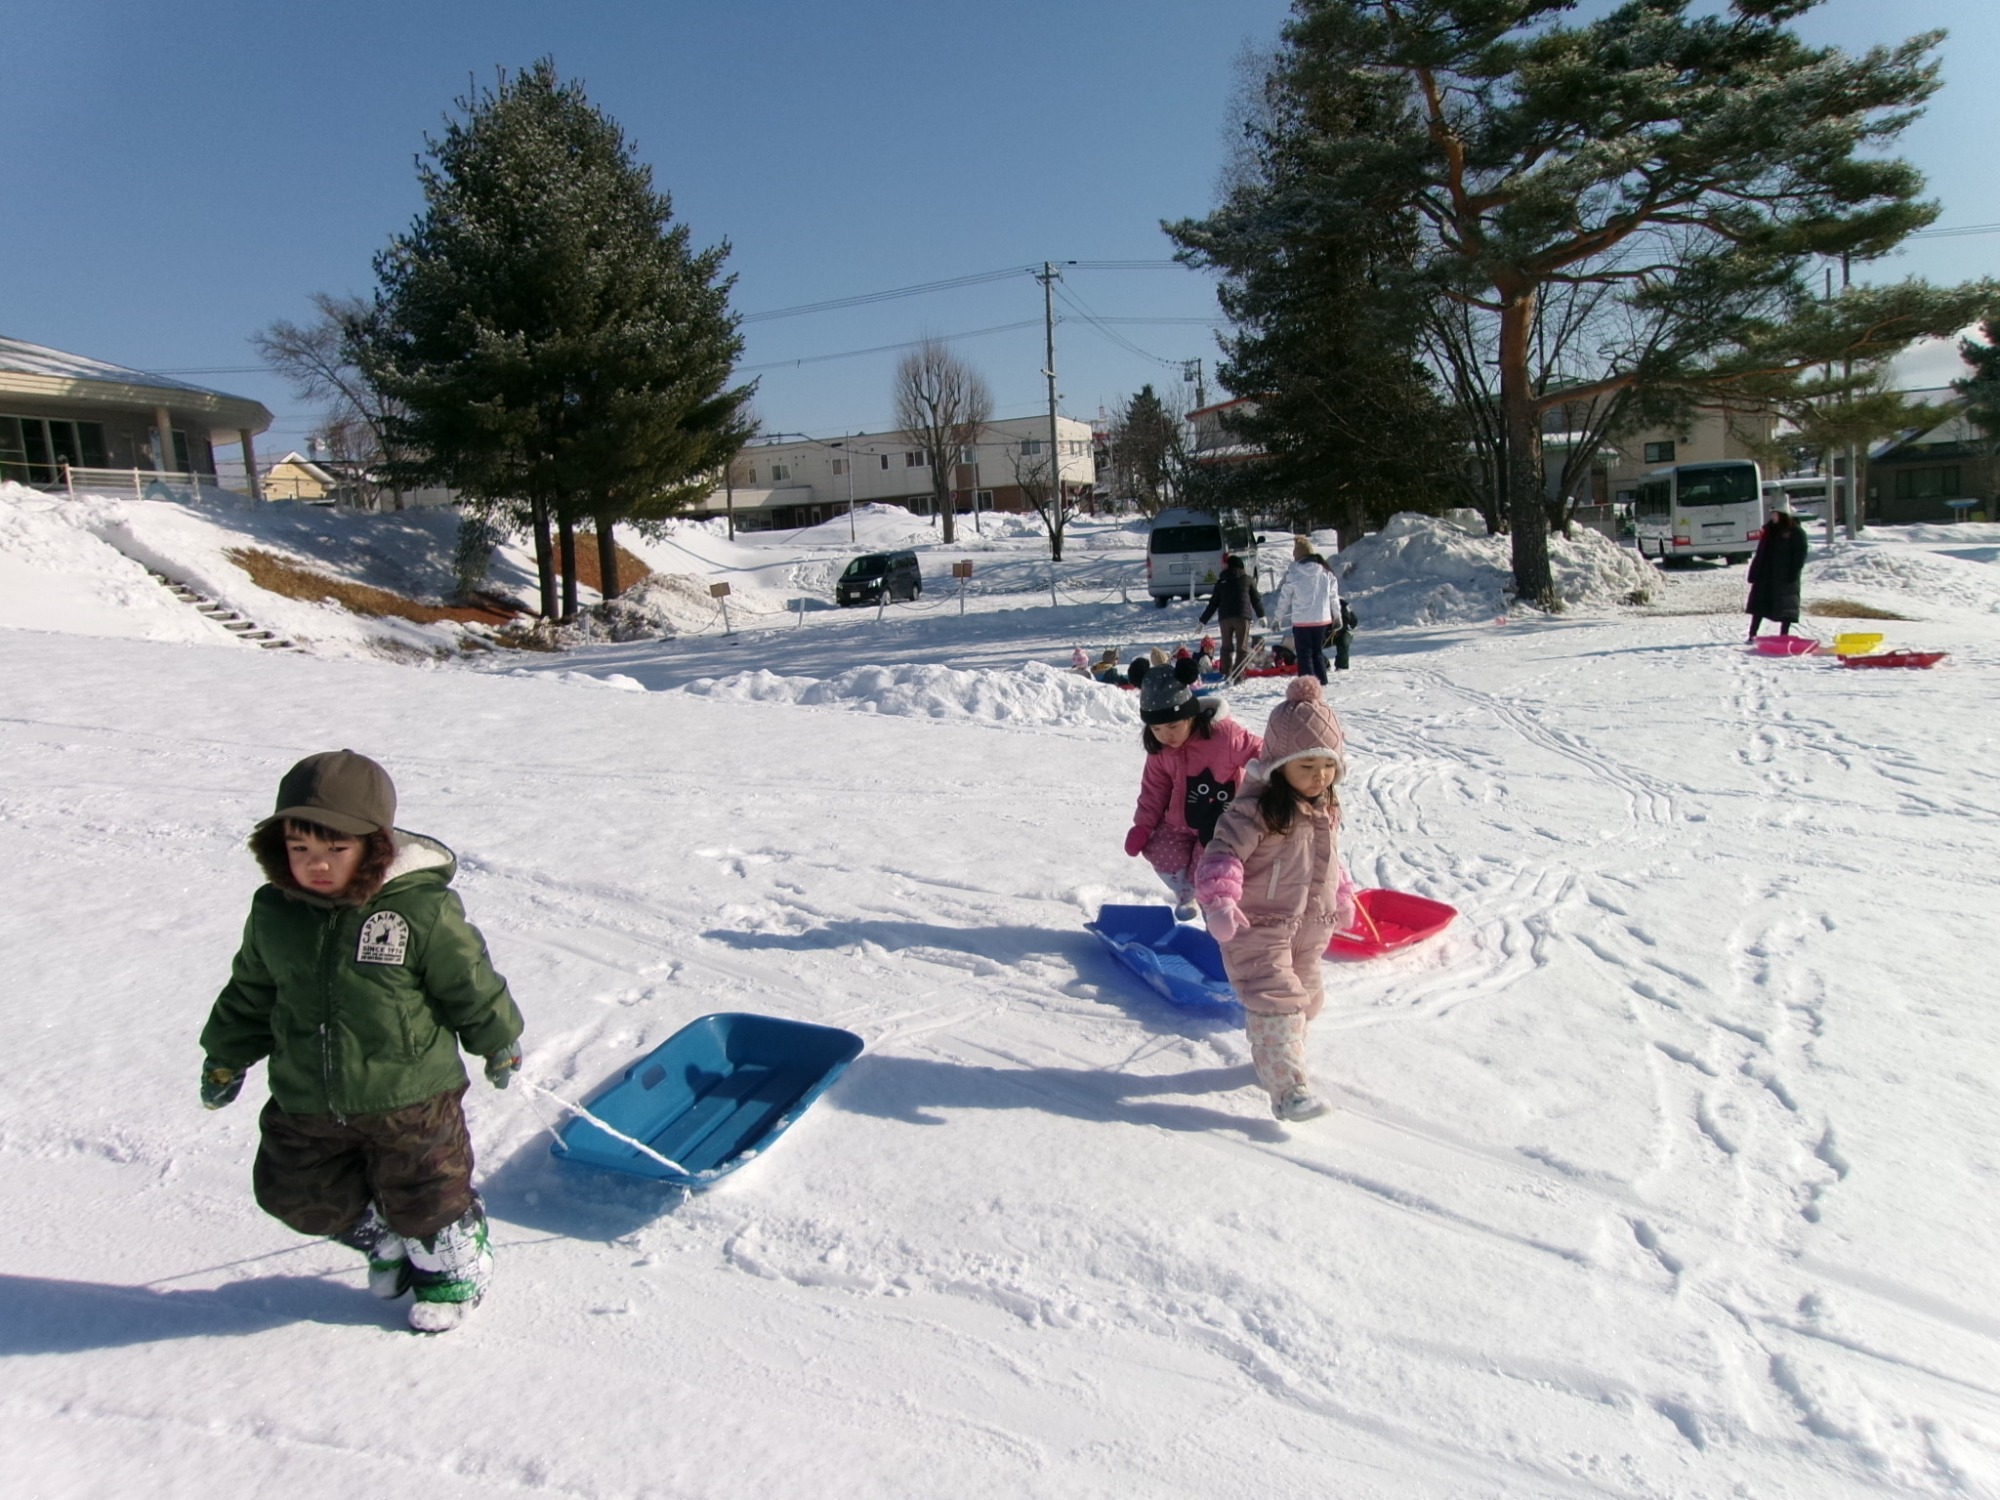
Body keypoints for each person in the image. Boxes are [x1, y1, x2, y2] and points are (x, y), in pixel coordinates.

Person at [198, 750, 526, 1334]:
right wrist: (225, 1054)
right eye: (301, 850)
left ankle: (455, 1270)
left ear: (374, 846)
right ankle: (386, 1236)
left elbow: (467, 980)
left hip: (411, 1092)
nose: (316, 866)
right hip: (306, 1092)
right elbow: (252, 990)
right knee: (291, 1190)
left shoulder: (418, 909)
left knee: (428, 1194)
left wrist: (497, 1037)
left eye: (335, 851)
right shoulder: (275, 912)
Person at [1194, 678, 1357, 1123]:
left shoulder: (1324, 808)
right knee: (1277, 999)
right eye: (1307, 765)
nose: (1319, 775)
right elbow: (1221, 855)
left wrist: (1342, 895)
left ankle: (1275, 1057)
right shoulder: (1255, 810)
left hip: (1308, 926)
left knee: (1308, 1000)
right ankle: (1288, 1090)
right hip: (1257, 925)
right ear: (1279, 765)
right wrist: (1221, 901)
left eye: (1327, 765)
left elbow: (1330, 862)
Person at [1125, 670, 1264, 922]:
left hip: (1219, 826)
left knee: (1210, 871)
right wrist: (1143, 826)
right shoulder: (1160, 750)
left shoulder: (1225, 736)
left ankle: (1218, 919)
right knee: (1159, 848)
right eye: (1156, 728)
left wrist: (1286, 772)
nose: (1165, 735)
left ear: (1190, 716)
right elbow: (1153, 789)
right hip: (1179, 821)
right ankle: (1186, 893)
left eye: (1173, 726)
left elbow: (1261, 751)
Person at [1271, 535, 1340, 684]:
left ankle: (1307, 686)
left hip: (1302, 621)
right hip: (1322, 620)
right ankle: (1322, 683)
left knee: (1304, 655)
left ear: (1299, 555)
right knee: (1317, 653)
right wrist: (1337, 616)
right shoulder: (1326, 572)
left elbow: (1285, 598)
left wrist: (1277, 618)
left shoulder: (1295, 573)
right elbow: (1333, 596)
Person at [1198, 553, 1266, 678]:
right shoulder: (1248, 579)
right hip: (1242, 616)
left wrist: (1203, 621)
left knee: (1226, 647)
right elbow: (1256, 599)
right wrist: (1261, 615)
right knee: (1242, 648)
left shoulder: (1221, 582)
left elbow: (1213, 604)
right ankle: (1238, 675)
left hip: (1225, 618)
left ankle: (1225, 673)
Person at [1746, 509, 1808, 641]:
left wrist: (1793, 572)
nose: (1772, 516)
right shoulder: (1769, 530)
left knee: (1785, 607)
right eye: (1772, 514)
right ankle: (1752, 634)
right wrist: (1754, 571)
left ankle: (1784, 635)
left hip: (1784, 576)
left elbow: (1800, 555)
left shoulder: (1795, 532)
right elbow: (1760, 553)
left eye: (1776, 514)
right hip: (1765, 574)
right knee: (1759, 606)